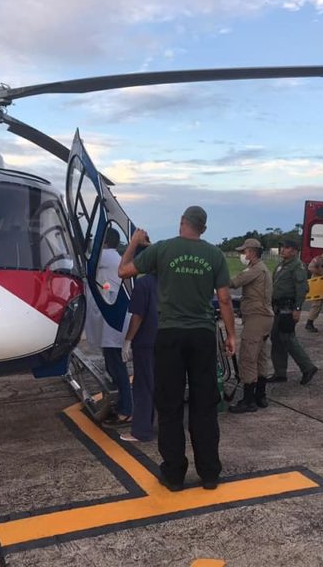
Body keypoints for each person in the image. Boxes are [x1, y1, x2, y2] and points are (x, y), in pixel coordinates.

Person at [118, 206, 236, 492]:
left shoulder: (162, 249)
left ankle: (173, 475)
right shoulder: (215, 255)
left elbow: (123, 271)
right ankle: (209, 473)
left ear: (182, 222)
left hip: (169, 335)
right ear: (204, 229)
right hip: (202, 335)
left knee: (169, 406)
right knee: (204, 405)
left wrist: (134, 242)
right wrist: (231, 335)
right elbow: (224, 299)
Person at [85, 227, 132, 425]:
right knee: (113, 364)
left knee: (117, 366)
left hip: (114, 322)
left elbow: (84, 260)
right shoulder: (114, 257)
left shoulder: (106, 257)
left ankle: (127, 409)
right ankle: (121, 402)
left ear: (104, 242)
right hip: (114, 320)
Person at [228, 238, 273, 413]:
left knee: (247, 357)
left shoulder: (255, 270)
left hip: (256, 318)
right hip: (264, 318)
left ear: (252, 252)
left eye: (244, 252)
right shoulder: (262, 269)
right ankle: (260, 396)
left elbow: (235, 282)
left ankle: (248, 401)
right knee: (260, 357)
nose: (243, 255)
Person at [267, 238, 318, 385]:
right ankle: (280, 372)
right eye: (282, 247)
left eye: (287, 247)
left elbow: (302, 289)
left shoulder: (297, 267)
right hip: (278, 308)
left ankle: (308, 367)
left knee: (288, 338)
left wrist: (297, 309)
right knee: (276, 339)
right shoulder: (282, 265)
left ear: (294, 251)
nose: (283, 249)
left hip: (288, 308)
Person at [120, 272, 158, 443]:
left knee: (143, 386)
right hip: (168, 340)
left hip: (147, 342)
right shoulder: (173, 281)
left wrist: (128, 340)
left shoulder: (143, 284)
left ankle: (141, 431)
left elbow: (138, 316)